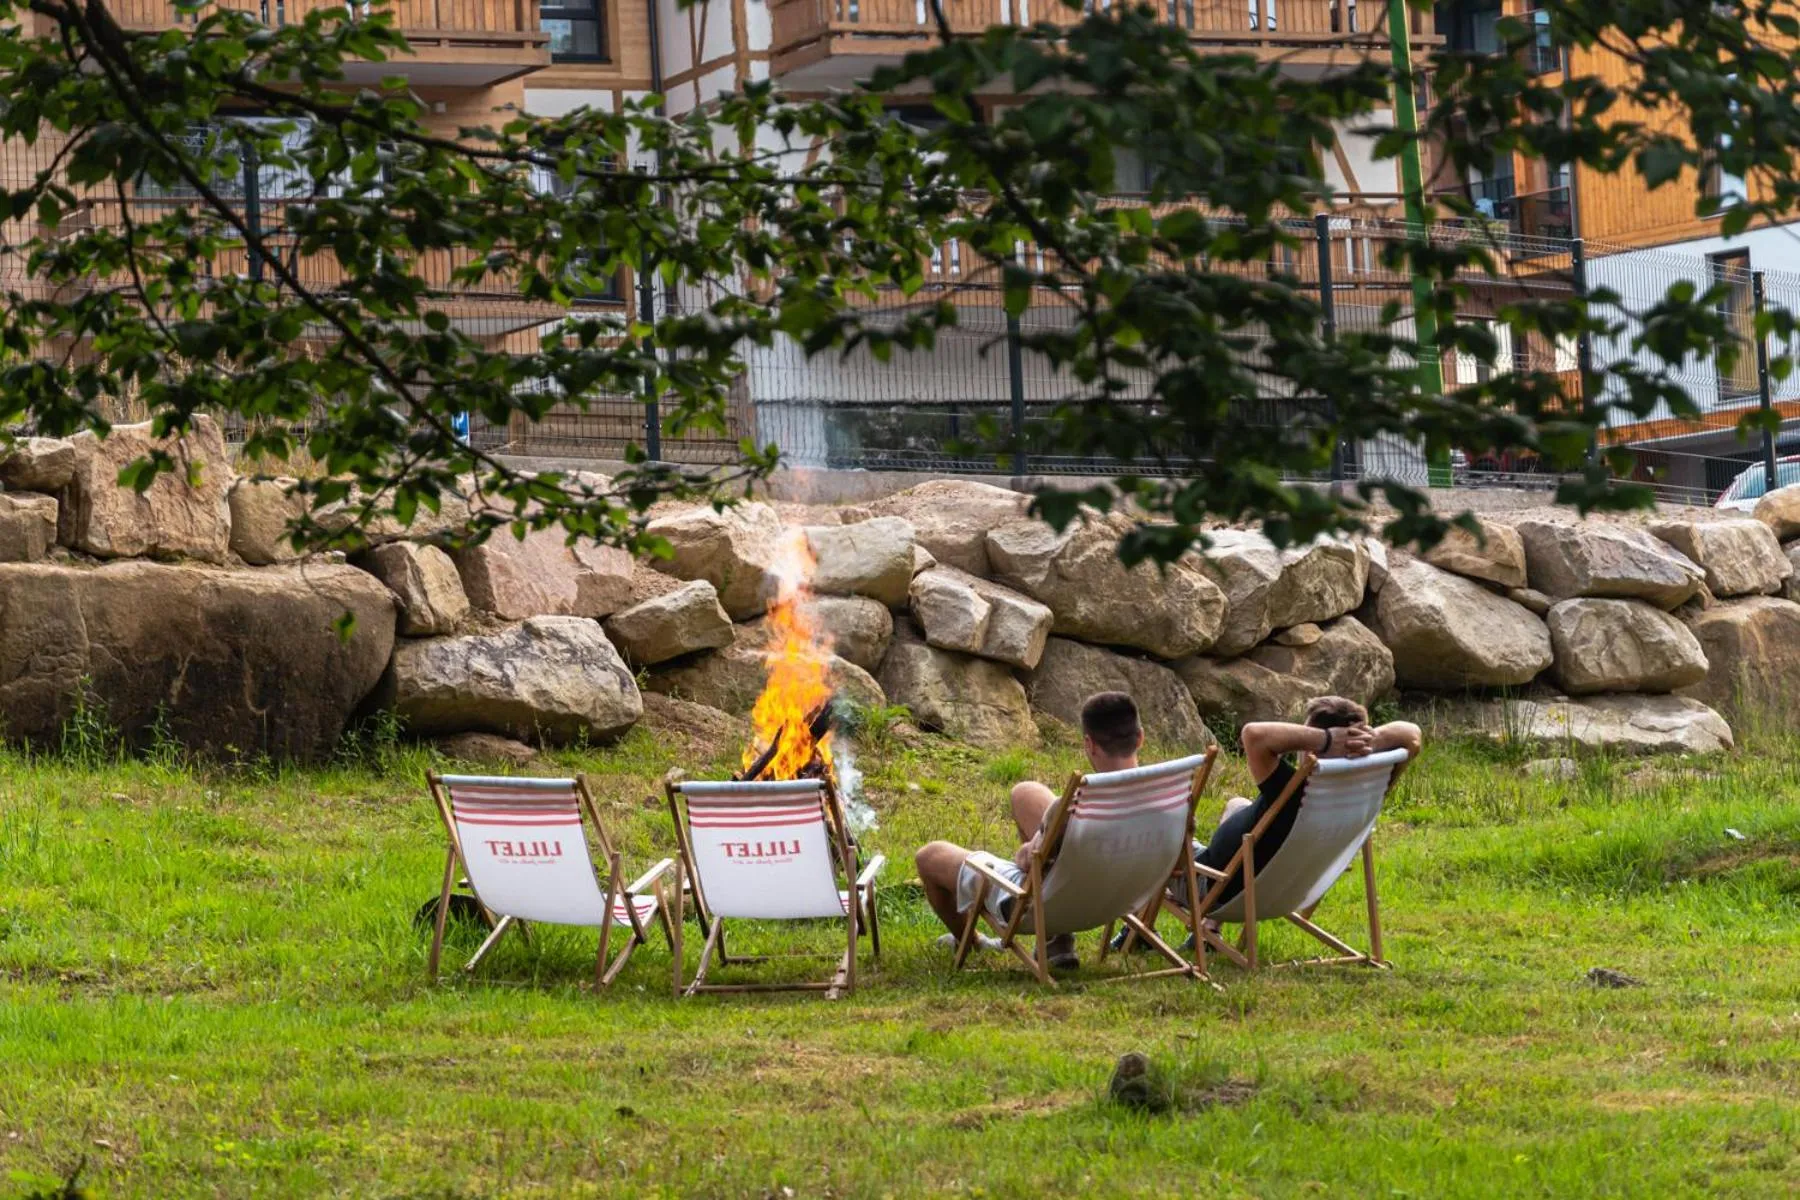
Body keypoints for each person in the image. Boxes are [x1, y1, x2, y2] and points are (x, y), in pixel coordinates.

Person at [1137, 696, 1419, 953]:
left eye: (1307, 738)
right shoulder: (1362, 792)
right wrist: (1373, 738)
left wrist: (1325, 739)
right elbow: (1412, 735)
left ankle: (1136, 933)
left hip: (1210, 890)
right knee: (1237, 804)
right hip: (1288, 890)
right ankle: (1211, 927)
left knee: (1151, 824)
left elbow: (1254, 734)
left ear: (1317, 747)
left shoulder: (1295, 792)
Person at [915, 691, 1145, 972]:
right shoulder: (1171, 795)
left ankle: (972, 941)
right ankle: (1055, 945)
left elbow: (1028, 860)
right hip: (1121, 898)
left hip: (1050, 907)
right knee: (1026, 793)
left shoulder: (1072, 806)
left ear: (1090, 745)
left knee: (929, 856)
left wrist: (1027, 849)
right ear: (1140, 738)